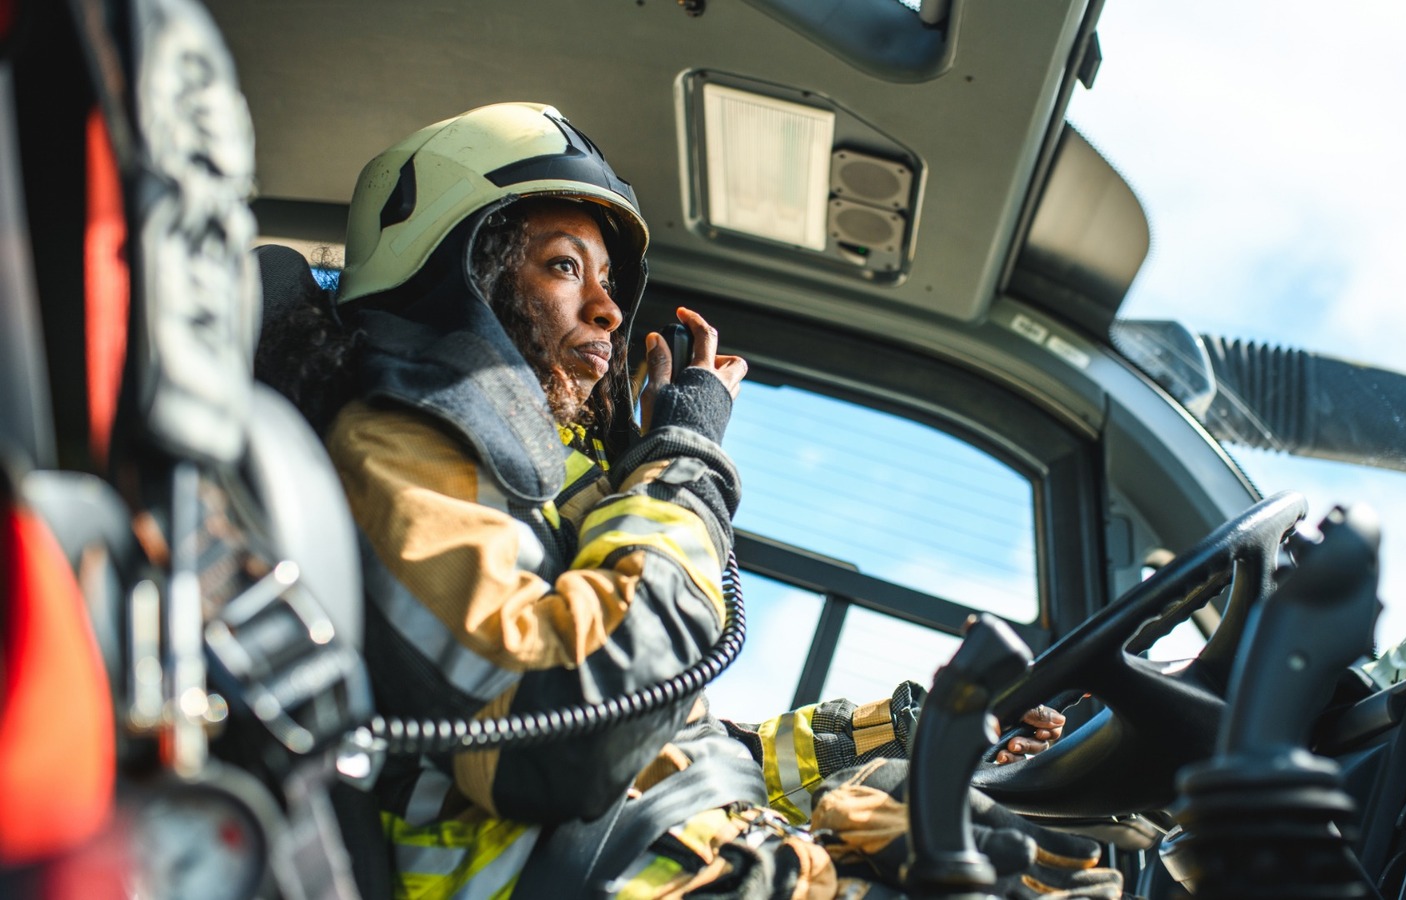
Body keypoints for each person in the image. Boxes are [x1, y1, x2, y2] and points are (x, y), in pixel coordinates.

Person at [253, 101, 1118, 899]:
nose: (606, 310)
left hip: (685, 855)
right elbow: (574, 731)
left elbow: (691, 755)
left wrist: (914, 726)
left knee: (1011, 836)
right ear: (463, 278)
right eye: (563, 267)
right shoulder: (398, 445)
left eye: (608, 285)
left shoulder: (537, 486)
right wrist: (685, 462)